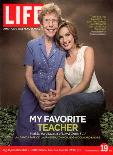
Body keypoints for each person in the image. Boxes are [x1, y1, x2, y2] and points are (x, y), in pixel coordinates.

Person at [11, 3, 65, 146]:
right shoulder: (32, 45)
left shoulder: (61, 48)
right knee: (24, 134)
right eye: (47, 20)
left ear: (58, 23)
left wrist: (57, 93)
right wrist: (37, 94)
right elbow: (28, 74)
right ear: (41, 23)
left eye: (54, 20)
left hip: (49, 99)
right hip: (30, 96)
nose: (51, 24)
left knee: (41, 137)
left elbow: (60, 74)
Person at [46, 21, 106, 145]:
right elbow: (67, 87)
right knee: (70, 116)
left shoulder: (87, 50)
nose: (64, 40)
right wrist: (54, 97)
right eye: (61, 37)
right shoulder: (62, 61)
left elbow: (85, 83)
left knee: (65, 102)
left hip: (95, 97)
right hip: (76, 101)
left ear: (73, 35)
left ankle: (51, 148)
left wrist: (61, 98)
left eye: (67, 35)